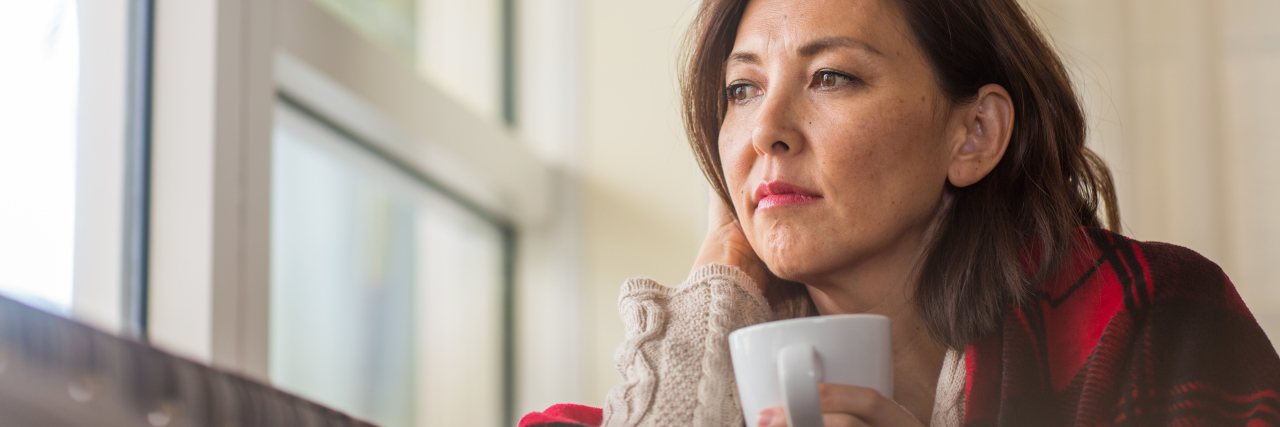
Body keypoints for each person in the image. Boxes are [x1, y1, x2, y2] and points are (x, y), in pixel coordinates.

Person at [520, 0, 1280, 425]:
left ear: (973, 134)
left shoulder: (1156, 320)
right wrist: (709, 302)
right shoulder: (666, 390)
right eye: (742, 89)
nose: (765, 129)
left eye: (831, 77)